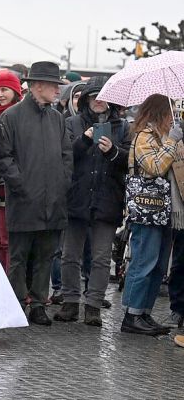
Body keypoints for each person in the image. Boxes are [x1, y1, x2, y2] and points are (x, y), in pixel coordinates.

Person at [0, 61, 72, 326]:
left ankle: (38, 304)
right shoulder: (12, 117)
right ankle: (16, 302)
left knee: (45, 255)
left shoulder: (56, 118)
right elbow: (4, 157)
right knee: (18, 257)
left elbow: (66, 154)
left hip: (53, 201)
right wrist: (21, 185)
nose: (58, 92)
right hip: (24, 200)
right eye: (54, 86)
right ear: (38, 86)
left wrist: (63, 182)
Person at [53, 77, 129, 326]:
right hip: (76, 197)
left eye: (103, 96)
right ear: (85, 98)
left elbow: (131, 161)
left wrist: (113, 151)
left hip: (107, 199)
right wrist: (85, 140)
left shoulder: (123, 127)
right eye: (94, 96)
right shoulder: (72, 123)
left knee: (100, 258)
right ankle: (70, 302)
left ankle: (94, 305)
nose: (98, 101)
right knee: (69, 255)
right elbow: (63, 157)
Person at [120, 94, 181, 335]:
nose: (173, 118)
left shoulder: (162, 136)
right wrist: (171, 143)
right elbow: (154, 166)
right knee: (144, 261)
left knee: (157, 265)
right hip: (147, 209)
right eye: (171, 112)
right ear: (161, 113)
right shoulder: (144, 136)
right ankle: (132, 315)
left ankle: (144, 312)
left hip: (163, 210)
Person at [0, 71, 23, 273]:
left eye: (4, 90)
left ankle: (12, 282)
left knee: (9, 240)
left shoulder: (16, 116)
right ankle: (0, 278)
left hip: (9, 183)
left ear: (15, 92)